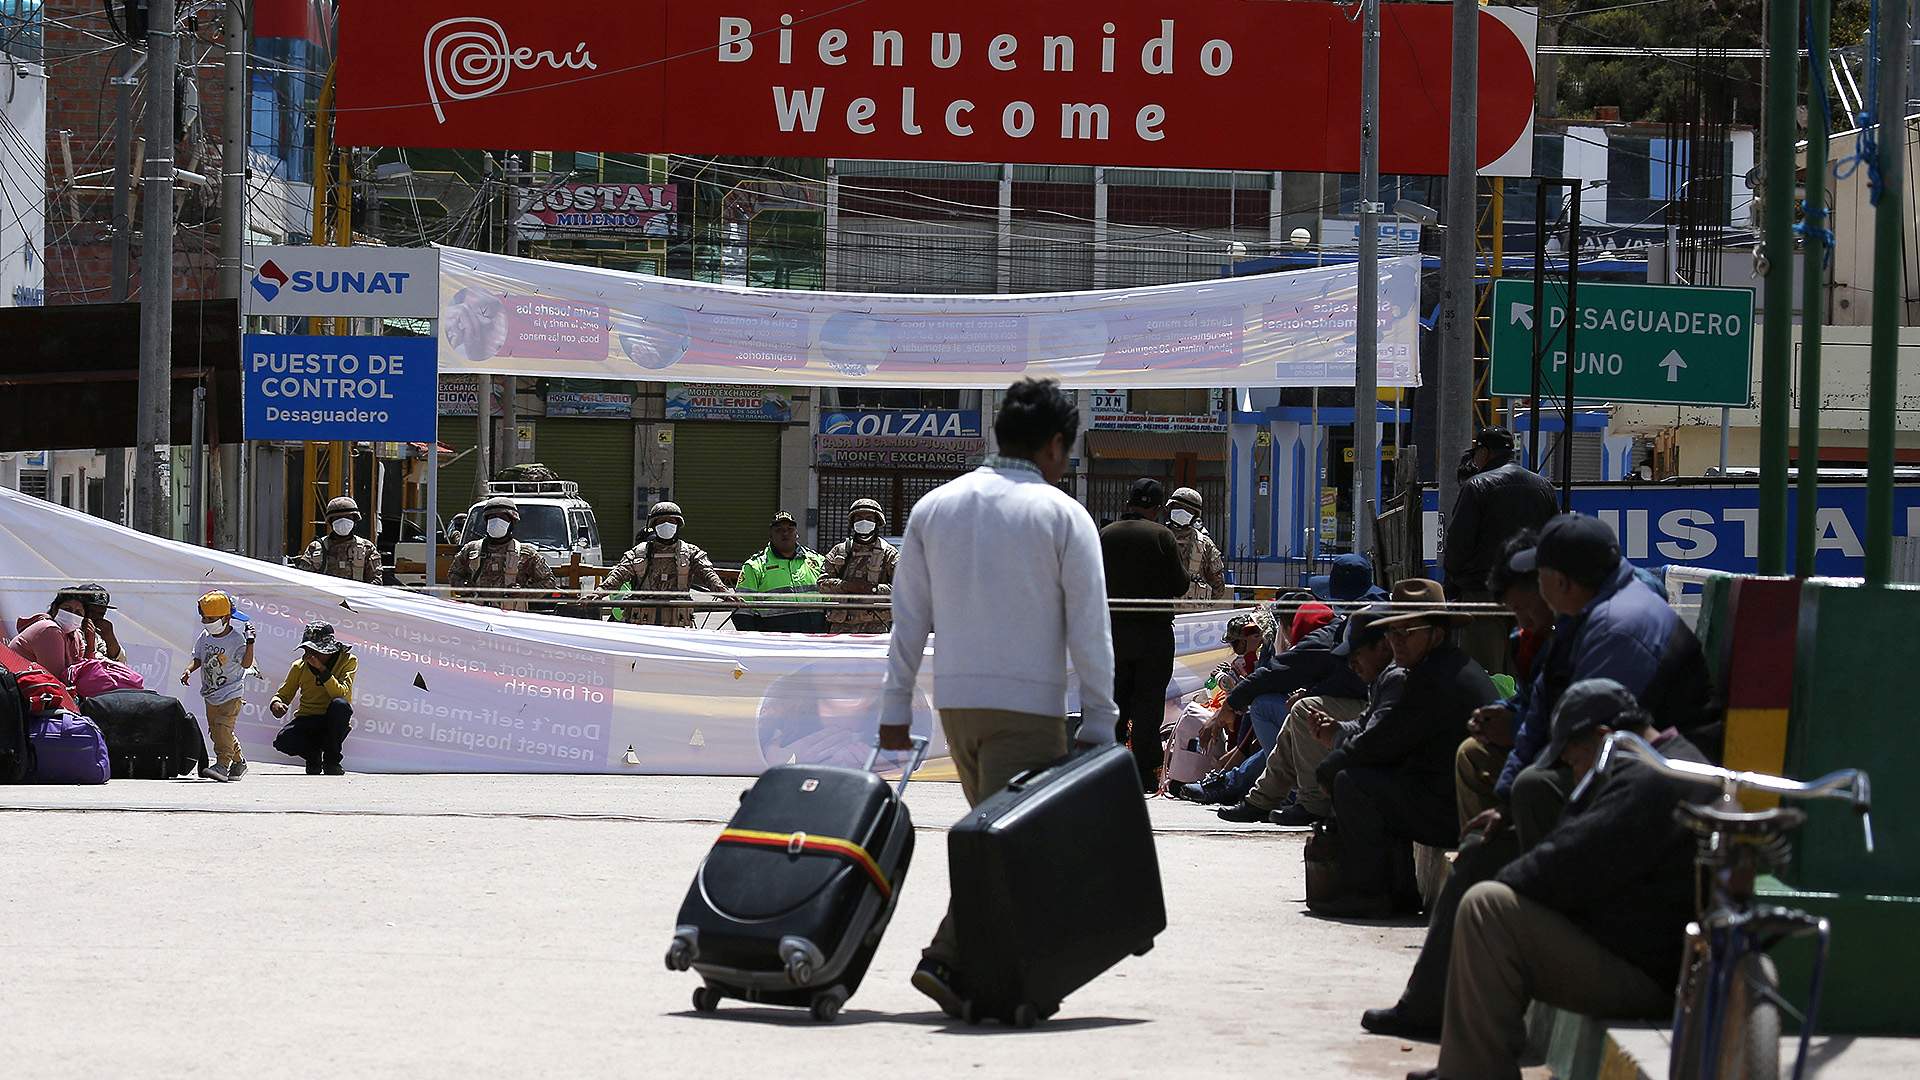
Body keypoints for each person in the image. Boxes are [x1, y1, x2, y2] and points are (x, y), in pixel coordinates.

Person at [1360, 515, 1717, 1042]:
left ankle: (1529, 935)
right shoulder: (1583, 616)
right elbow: (1547, 711)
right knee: (1488, 837)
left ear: (1558, 581)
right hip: (1621, 776)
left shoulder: (1617, 626)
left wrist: (1513, 815)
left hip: (1654, 792)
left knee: (1516, 823)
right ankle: (1434, 1002)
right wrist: (1503, 798)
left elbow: (1585, 737)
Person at [876, 377, 1118, 1017]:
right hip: (1027, 709)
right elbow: (1090, 629)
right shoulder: (1063, 515)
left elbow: (908, 622)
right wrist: (1101, 718)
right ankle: (949, 963)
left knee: (1000, 836)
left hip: (957, 706)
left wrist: (895, 710)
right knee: (1013, 847)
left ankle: (999, 977)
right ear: (1055, 444)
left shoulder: (935, 507)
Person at [1410, 679, 1711, 1080]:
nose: (1575, 771)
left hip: (1645, 976)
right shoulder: (1673, 760)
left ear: (1603, 738)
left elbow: (1568, 860)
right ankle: (1469, 1065)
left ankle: (1472, 1073)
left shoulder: (1648, 779)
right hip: (1646, 957)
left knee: (1487, 908)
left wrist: (1509, 879)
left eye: (1574, 760)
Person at [1312, 579, 1498, 918]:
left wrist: (1332, 765)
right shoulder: (1435, 667)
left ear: (1436, 634)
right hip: (1447, 796)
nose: (1395, 641)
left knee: (1353, 783)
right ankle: (1398, 891)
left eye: (1406, 632)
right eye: (1392, 632)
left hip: (1459, 810)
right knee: (1376, 779)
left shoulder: (1434, 678)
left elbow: (1383, 740)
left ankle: (1369, 892)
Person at [1212, 606, 1389, 825]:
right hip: (1363, 715)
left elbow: (1275, 674)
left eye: (1357, 655)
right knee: (1295, 717)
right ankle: (1261, 800)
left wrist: (1334, 736)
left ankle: (1312, 804)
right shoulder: (1339, 635)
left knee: (1302, 710)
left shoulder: (1321, 641)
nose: (1353, 663)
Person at [1455, 531, 1555, 829]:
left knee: (1531, 784)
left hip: (1567, 755)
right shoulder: (1530, 642)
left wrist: (1514, 725)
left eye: (1525, 608)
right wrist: (1502, 711)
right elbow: (1531, 697)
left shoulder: (1580, 635)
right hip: (1540, 744)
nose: (1522, 621)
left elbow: (1559, 720)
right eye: (1514, 611)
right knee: (1471, 751)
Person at [1099, 477, 1192, 790]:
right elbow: (1180, 585)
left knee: (1114, 703)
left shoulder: (1106, 535)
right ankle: (1144, 773)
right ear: (1157, 507)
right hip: (1153, 635)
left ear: (1128, 502)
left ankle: (1109, 770)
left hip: (1113, 633)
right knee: (1148, 706)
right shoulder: (1162, 536)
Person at [1442, 427, 1556, 675]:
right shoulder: (1543, 486)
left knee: (1486, 675)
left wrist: (1454, 582)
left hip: (1483, 594)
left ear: (1484, 452)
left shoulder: (1477, 485)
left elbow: (1458, 544)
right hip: (1530, 594)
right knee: (1526, 672)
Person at [596, 501, 730, 627]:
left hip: (677, 623)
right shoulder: (639, 553)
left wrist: (726, 595)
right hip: (642, 623)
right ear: (654, 525)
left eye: (671, 521)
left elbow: (708, 575)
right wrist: (598, 593)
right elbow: (618, 575)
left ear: (678, 524)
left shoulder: (691, 553)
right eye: (661, 521)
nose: (667, 524)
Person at [180, 591, 254, 782]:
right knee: (218, 732)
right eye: (204, 618)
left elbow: (246, 664)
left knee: (222, 728)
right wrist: (189, 670)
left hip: (231, 694)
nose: (206, 622)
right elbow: (198, 657)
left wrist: (250, 643)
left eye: (211, 618)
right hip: (211, 694)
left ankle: (222, 764)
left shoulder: (236, 640)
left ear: (226, 618)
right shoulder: (205, 636)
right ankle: (239, 762)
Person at [268, 622, 357, 776]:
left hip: (331, 720)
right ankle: (312, 754)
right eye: (307, 650)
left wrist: (322, 670)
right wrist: (276, 703)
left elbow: (341, 694)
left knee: (340, 705)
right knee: (283, 741)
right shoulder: (299, 666)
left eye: (315, 651)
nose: (310, 655)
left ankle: (332, 761)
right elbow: (283, 694)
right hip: (308, 718)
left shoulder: (348, 661)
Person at [448, 497, 560, 608]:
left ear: (512, 522)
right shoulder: (471, 549)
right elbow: (454, 574)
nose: (496, 521)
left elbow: (549, 582)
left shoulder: (526, 553)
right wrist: (463, 586)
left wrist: (523, 593)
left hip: (511, 614)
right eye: (492, 517)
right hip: (477, 613)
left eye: (502, 518)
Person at [735, 511, 827, 633]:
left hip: (813, 639)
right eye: (779, 530)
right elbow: (742, 611)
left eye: (790, 529)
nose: (785, 533)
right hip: (774, 641)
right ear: (771, 535)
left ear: (796, 533)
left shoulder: (817, 561)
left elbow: (831, 601)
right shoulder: (754, 566)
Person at [818, 498, 899, 634]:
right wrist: (845, 586)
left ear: (877, 522)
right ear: (852, 522)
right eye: (859, 518)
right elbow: (821, 584)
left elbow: (902, 590)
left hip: (875, 627)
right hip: (840, 627)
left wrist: (873, 589)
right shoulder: (840, 551)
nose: (864, 522)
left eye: (869, 518)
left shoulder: (889, 554)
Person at [9, 586, 93, 681]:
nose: (72, 615)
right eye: (67, 609)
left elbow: (86, 672)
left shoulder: (75, 635)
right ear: (55, 609)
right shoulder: (50, 630)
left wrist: (90, 645)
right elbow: (56, 677)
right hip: (17, 685)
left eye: (78, 613)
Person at [291, 497, 382, 583]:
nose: (343, 521)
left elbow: (376, 583)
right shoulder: (316, 548)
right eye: (337, 518)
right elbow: (303, 581)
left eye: (348, 517)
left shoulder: (367, 548)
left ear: (354, 520)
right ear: (330, 521)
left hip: (355, 594)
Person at [1166, 487, 1227, 601]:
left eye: (1187, 510)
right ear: (1170, 508)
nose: (1181, 512)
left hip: (1192, 609)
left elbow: (1218, 587)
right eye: (1177, 507)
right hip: (1161, 608)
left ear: (1195, 515)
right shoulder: (1157, 538)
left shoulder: (1205, 545)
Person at [72, 583, 126, 662]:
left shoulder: (96, 636)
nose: (95, 617)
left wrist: (110, 637)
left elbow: (120, 661)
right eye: (90, 611)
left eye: (100, 614)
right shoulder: (69, 630)